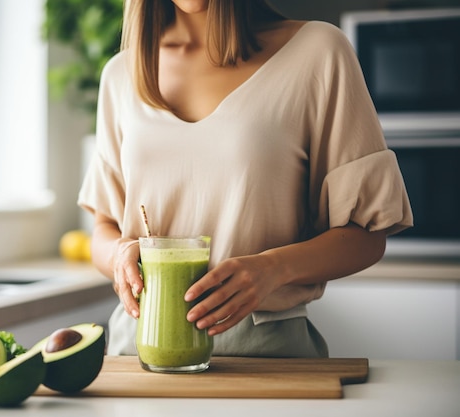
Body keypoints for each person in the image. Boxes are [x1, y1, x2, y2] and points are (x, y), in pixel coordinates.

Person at [78, 0, 413, 358]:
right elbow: (104, 229)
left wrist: (273, 268)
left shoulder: (319, 52)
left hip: (268, 357)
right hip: (139, 352)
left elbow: (368, 236)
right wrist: (120, 254)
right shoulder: (120, 74)